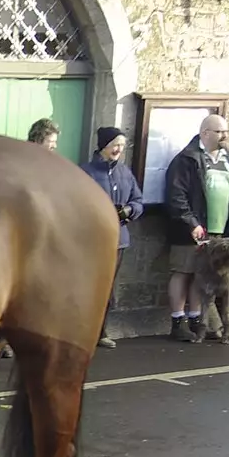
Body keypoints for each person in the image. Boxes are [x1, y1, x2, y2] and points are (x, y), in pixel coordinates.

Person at [161, 114, 229, 341]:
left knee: (202, 276)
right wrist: (192, 223)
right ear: (205, 133)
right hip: (192, 230)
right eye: (219, 132)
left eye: (226, 131)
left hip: (219, 230)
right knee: (183, 271)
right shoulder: (187, 159)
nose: (225, 136)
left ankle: (199, 319)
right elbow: (176, 195)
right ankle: (178, 322)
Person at [81, 127, 144, 348]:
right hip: (93, 240)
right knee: (89, 287)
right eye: (115, 144)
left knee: (108, 288)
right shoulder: (86, 172)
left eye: (122, 146)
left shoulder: (125, 172)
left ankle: (101, 332)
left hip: (118, 240)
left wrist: (129, 210)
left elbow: (138, 200)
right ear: (103, 146)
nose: (118, 149)